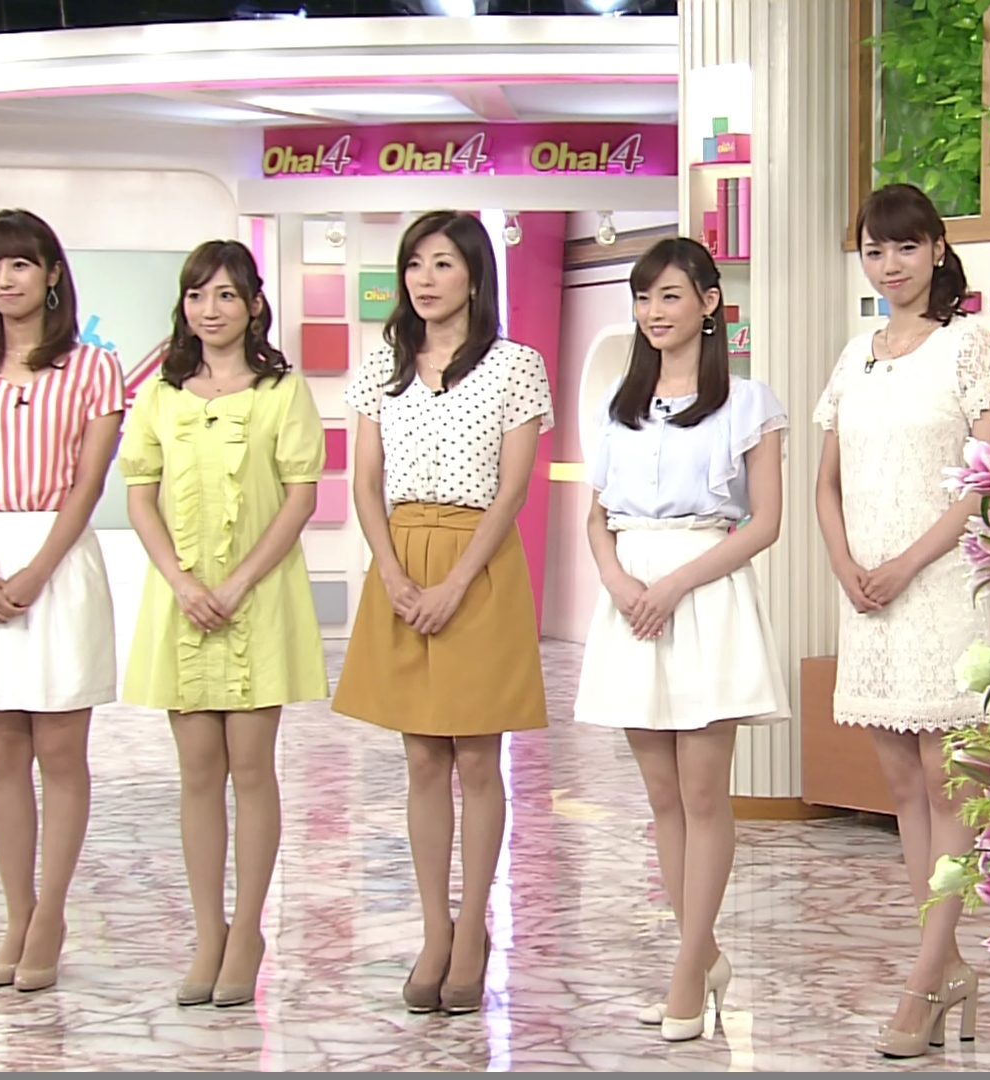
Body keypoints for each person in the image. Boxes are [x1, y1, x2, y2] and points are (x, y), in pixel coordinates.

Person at [331, 210, 553, 1016]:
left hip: (478, 563)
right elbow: (363, 482)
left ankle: (473, 933)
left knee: (476, 758)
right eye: (415, 264)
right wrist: (390, 573)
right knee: (422, 757)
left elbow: (513, 489)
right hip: (399, 557)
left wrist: (458, 581)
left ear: (475, 276)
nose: (425, 279)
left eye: (443, 264)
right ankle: (435, 930)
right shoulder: (381, 366)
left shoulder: (515, 365)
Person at [571, 238, 790, 1042]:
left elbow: (764, 524)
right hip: (631, 599)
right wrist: (618, 580)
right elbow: (596, 517)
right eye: (643, 298)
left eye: (669, 295)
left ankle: (686, 976)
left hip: (706, 596)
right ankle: (702, 959)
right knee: (662, 799)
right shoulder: (618, 404)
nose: (654, 312)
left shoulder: (748, 403)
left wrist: (675, 585)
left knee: (703, 797)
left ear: (708, 301)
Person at [813, 183, 990, 1058]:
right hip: (867, 593)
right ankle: (946, 963)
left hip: (941, 587)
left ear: (936, 249)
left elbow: (989, 479)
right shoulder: (854, 356)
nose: (889, 264)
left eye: (904, 246)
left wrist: (906, 562)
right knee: (900, 786)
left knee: (948, 781)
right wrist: (845, 563)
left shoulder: (969, 346)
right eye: (874, 249)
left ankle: (924, 979)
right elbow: (825, 482)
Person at [118, 239, 327, 1008]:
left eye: (227, 295)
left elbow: (301, 496)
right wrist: (180, 581)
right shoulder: (161, 393)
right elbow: (139, 492)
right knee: (198, 773)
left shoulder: (283, 391)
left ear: (254, 305)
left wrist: (238, 582)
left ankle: (249, 933)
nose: (211, 309)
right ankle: (209, 932)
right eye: (198, 295)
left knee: (251, 768)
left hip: (258, 600)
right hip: (183, 604)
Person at [0, 208, 124, 994]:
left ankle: (51, 916)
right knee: (2, 755)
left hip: (61, 560)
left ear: (51, 274)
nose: (4, 278)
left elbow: (89, 484)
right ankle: (16, 915)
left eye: (19, 264)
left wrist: (40, 567)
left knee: (60, 751)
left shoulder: (93, 368)